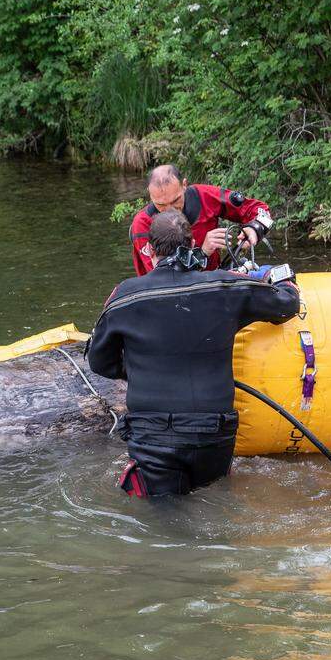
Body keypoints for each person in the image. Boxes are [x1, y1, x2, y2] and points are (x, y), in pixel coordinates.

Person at [87, 209, 300, 497]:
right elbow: (286, 304)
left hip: (153, 437)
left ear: (149, 249)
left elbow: (100, 362)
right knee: (215, 507)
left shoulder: (125, 296)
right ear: (193, 245)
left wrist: (141, 367)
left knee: (162, 523)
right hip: (214, 433)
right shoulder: (226, 285)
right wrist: (280, 276)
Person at [128, 164, 275, 275]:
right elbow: (161, 278)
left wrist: (254, 228)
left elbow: (260, 210)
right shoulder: (142, 224)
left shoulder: (204, 197)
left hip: (211, 281)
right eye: (160, 205)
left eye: (175, 201)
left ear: (184, 185)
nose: (170, 210)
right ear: (150, 194)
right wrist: (202, 253)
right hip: (163, 297)